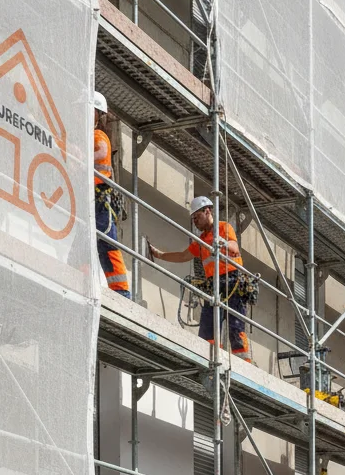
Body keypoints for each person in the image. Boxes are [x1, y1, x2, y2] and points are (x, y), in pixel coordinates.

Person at [148, 196, 251, 361]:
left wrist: (223, 243)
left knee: (235, 327)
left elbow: (235, 249)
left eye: (197, 217)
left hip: (233, 282)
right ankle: (212, 360)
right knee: (207, 327)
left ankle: (245, 365)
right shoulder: (201, 241)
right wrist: (159, 254)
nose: (195, 222)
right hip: (215, 285)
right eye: (193, 219)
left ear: (207, 211)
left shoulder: (224, 227)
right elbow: (183, 256)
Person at [93, 91, 131, 298]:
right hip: (90, 201)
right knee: (86, 243)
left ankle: (121, 292)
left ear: (97, 114)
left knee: (106, 244)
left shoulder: (98, 137)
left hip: (100, 202)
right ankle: (79, 275)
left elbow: (90, 157)